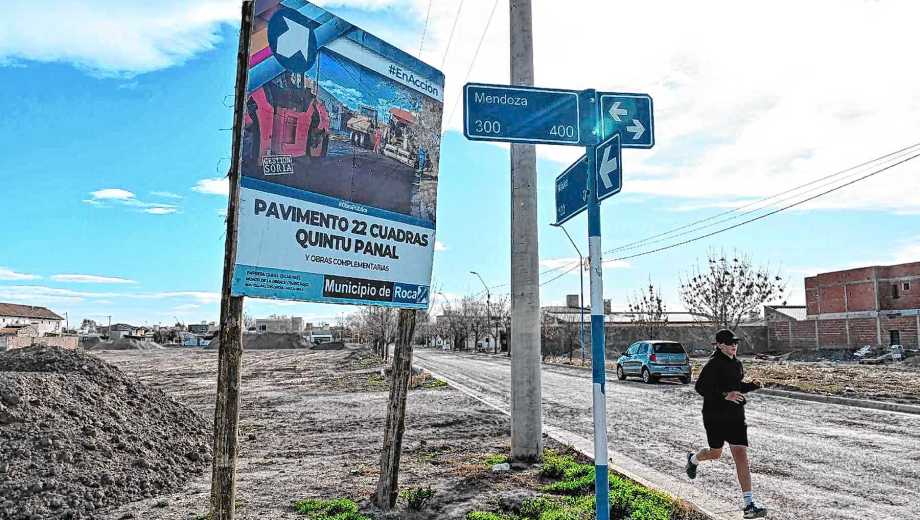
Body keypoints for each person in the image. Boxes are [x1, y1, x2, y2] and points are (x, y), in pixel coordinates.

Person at [685, 329, 767, 519]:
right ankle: (693, 460)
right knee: (715, 453)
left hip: (735, 416)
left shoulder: (737, 364)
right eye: (730, 343)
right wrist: (725, 395)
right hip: (714, 416)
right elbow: (700, 387)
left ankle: (749, 505)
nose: (734, 346)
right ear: (720, 345)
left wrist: (752, 386)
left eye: (735, 343)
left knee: (740, 454)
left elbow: (736, 387)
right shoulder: (713, 365)